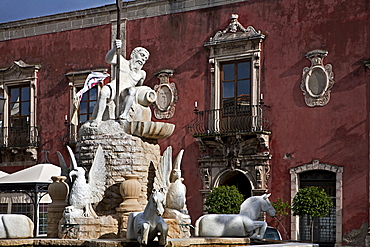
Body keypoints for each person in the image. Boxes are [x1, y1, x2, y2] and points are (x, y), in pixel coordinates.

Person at [91, 40, 150, 126]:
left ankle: (124, 115)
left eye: (145, 59)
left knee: (132, 91)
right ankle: (98, 118)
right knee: (104, 91)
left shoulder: (141, 74)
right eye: (141, 55)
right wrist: (114, 49)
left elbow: (139, 88)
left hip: (125, 92)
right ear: (133, 54)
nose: (142, 59)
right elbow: (108, 59)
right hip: (115, 86)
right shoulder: (122, 61)